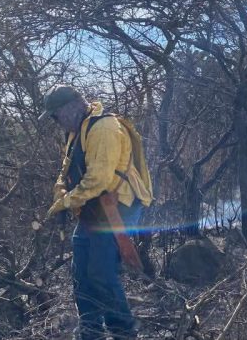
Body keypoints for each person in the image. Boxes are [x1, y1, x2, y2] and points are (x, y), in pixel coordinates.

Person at [42, 85, 153, 340]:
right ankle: (90, 332)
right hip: (94, 206)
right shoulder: (76, 131)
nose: (55, 122)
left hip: (119, 205)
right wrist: (60, 191)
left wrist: (67, 202)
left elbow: (99, 179)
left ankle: (123, 332)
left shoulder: (104, 129)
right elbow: (66, 169)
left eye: (55, 115)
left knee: (101, 272)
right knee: (81, 272)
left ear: (70, 108)